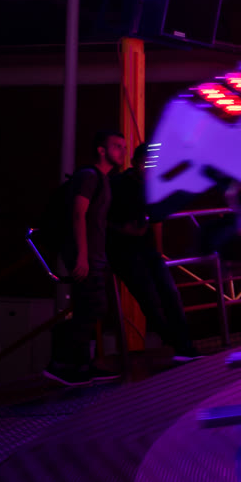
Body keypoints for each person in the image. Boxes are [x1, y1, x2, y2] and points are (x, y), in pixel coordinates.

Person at [46, 130, 127, 385]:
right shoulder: (89, 176)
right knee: (93, 306)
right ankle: (61, 363)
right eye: (117, 146)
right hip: (86, 254)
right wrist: (82, 256)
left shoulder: (102, 179)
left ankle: (82, 365)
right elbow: (78, 213)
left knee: (89, 307)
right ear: (101, 150)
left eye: (124, 147)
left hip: (94, 254)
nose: (122, 151)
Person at [107, 164, 202, 363]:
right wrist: (122, 229)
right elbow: (100, 217)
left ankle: (184, 345)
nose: (149, 169)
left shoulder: (151, 184)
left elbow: (156, 218)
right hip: (125, 252)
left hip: (147, 250)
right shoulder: (118, 184)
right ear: (136, 163)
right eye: (146, 163)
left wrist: (158, 251)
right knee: (150, 300)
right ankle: (177, 344)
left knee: (170, 294)